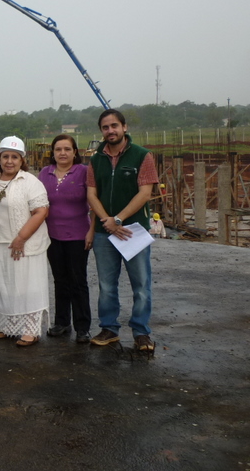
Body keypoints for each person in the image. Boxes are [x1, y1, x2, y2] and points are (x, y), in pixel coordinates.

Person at [87, 109, 159, 352]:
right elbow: (91, 194)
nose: (110, 131)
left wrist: (118, 219)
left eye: (114, 126)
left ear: (124, 127)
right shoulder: (96, 159)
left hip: (133, 231)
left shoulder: (142, 155)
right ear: (101, 131)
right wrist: (107, 221)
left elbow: (145, 193)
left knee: (141, 285)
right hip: (104, 232)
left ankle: (141, 332)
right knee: (107, 285)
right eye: (105, 127)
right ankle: (109, 328)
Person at [0, 136, 50, 347]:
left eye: (14, 157)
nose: (9, 161)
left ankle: (30, 330)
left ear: (22, 160)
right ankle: (5, 325)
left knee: (26, 285)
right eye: (5, 156)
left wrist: (21, 238)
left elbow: (41, 211)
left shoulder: (30, 182)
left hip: (23, 244)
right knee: (2, 286)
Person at [38, 134, 94, 344]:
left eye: (67, 149)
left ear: (75, 152)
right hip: (52, 236)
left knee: (78, 281)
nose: (62, 153)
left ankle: (82, 326)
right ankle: (62, 322)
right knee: (60, 280)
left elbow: (95, 203)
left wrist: (92, 231)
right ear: (52, 152)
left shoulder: (84, 172)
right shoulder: (44, 173)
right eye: (58, 149)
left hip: (79, 235)